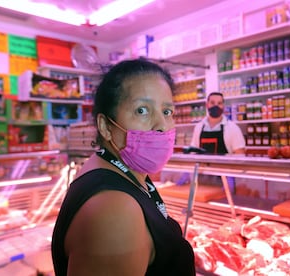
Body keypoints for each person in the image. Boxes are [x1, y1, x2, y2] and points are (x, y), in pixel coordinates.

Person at [51, 59, 195, 276]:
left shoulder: (121, 169)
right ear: (106, 127)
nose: (162, 125)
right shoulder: (115, 210)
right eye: (142, 110)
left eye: (167, 111)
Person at [177, 92, 246, 193]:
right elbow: (193, 153)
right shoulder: (199, 127)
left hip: (224, 181)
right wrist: (186, 174)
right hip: (201, 179)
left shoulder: (233, 128)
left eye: (219, 103)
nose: (216, 106)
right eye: (212, 103)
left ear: (223, 106)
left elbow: (240, 157)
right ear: (207, 105)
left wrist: (231, 178)